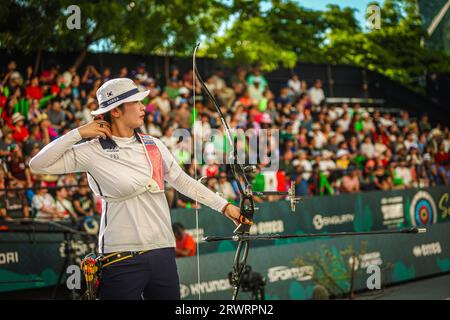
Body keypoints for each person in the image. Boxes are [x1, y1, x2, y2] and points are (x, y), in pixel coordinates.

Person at [29, 78, 249, 300]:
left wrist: (224, 206)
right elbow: (38, 165)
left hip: (162, 250)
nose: (144, 107)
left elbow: (182, 181)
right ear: (115, 111)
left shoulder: (153, 143)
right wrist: (78, 133)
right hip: (121, 255)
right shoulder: (92, 150)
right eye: (135, 102)